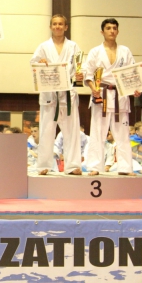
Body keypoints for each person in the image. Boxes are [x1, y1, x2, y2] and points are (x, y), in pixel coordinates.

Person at [83, 18, 140, 176]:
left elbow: (132, 73)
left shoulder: (125, 51)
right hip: (101, 95)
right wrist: (93, 89)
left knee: (122, 134)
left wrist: (135, 88)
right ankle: (95, 167)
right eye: (108, 28)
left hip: (120, 95)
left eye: (114, 28)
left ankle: (125, 168)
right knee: (97, 133)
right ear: (102, 31)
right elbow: (88, 74)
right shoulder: (95, 51)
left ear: (118, 31)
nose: (112, 31)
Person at [31, 15, 83, 176]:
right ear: (50, 27)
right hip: (49, 94)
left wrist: (80, 75)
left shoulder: (73, 46)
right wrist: (40, 63)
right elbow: (34, 65)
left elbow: (80, 68)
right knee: (46, 131)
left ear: (66, 27)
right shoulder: (43, 47)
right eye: (55, 24)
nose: (58, 26)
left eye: (61, 24)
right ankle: (43, 165)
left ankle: (72, 165)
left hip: (68, 94)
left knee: (71, 132)